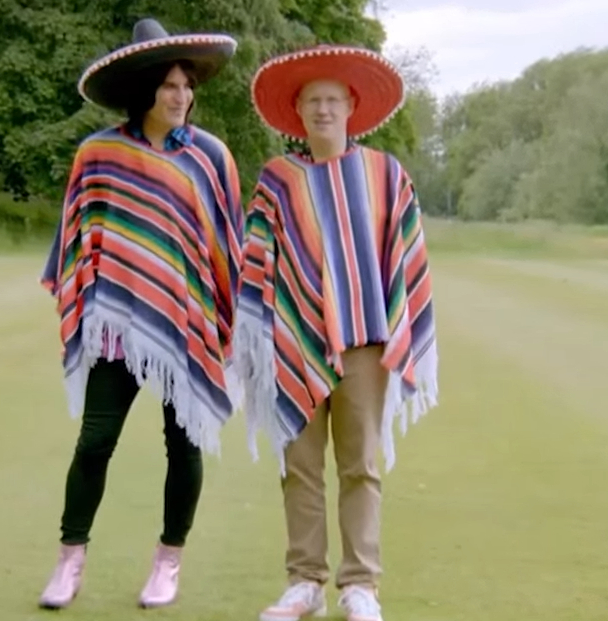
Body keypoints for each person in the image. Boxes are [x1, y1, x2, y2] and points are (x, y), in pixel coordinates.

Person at [37, 17, 243, 611]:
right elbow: (78, 233)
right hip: (117, 324)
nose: (181, 96)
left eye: (188, 85)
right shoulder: (98, 152)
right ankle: (69, 560)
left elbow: (223, 244)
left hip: (184, 326)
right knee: (95, 439)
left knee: (184, 444)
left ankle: (167, 564)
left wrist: (227, 315)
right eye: (170, 86)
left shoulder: (210, 157)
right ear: (144, 90)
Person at [233, 44, 440, 621]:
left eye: (332, 100)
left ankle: (360, 585)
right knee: (298, 467)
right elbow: (258, 259)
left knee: (361, 465)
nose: (322, 110)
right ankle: (304, 583)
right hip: (294, 343)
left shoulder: (385, 173)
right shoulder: (278, 179)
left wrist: (400, 328)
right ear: (297, 111)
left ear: (351, 105)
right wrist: (258, 338)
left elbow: (404, 258)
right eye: (311, 101)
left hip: (365, 344)